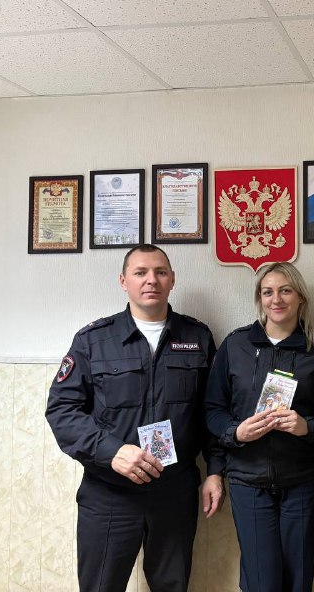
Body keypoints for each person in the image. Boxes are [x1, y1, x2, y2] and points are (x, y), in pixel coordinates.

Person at [45, 244, 224, 592]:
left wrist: (215, 470)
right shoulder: (94, 340)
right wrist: (112, 451)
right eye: (140, 272)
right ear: (123, 281)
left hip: (175, 492)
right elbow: (62, 410)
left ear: (172, 279)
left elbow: (211, 411)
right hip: (109, 492)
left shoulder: (198, 338)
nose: (151, 280)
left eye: (160, 272)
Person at [205, 262, 314, 592]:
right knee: (261, 581)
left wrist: (307, 426)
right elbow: (212, 410)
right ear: (259, 298)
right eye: (268, 292)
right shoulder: (235, 345)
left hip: (304, 481)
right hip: (248, 480)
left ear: (300, 297)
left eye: (285, 290)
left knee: (299, 580)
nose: (276, 299)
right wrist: (236, 433)